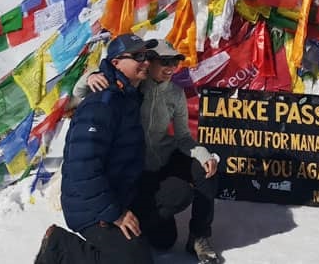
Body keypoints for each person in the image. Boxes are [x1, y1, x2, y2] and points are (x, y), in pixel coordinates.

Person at [80, 40, 222, 264]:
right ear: (149, 62)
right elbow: (81, 92)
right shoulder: (136, 86)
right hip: (138, 170)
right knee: (165, 240)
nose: (171, 68)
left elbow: (183, 136)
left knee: (206, 170)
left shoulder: (176, 93)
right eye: (164, 61)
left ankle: (199, 235)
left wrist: (202, 153)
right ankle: (135, 228)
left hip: (165, 157)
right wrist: (89, 77)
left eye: (175, 62)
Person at [34, 33, 158, 264]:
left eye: (148, 55)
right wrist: (116, 214)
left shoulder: (128, 96)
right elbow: (84, 168)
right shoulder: (103, 105)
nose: (147, 62)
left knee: (166, 228)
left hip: (119, 191)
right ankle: (60, 246)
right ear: (115, 63)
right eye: (138, 56)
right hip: (91, 205)